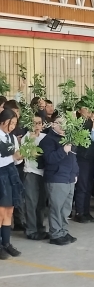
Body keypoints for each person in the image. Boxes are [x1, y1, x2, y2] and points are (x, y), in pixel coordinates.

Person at [39, 116, 79, 246]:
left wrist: (75, 173)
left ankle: (63, 231)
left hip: (69, 178)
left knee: (66, 208)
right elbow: (49, 159)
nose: (63, 126)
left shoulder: (68, 139)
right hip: (56, 178)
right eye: (60, 123)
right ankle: (55, 234)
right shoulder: (48, 140)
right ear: (53, 125)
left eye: (66, 124)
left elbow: (74, 159)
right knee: (56, 208)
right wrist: (63, 150)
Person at [0, 109, 23, 259]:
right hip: (1, 175)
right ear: (3, 121)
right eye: (11, 123)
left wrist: (20, 156)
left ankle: (7, 243)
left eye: (15, 123)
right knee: (1, 213)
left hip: (11, 174)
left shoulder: (12, 137)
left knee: (9, 211)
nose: (13, 126)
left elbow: (17, 158)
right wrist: (13, 156)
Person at [22, 114, 48, 240]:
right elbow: (24, 153)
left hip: (43, 173)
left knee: (41, 203)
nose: (37, 125)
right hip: (31, 173)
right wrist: (31, 139)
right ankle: (31, 230)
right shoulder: (26, 137)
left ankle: (40, 228)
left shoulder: (45, 137)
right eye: (34, 123)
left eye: (39, 123)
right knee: (31, 203)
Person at [73, 103, 94, 223]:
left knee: (89, 186)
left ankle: (86, 211)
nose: (88, 110)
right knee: (82, 186)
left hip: (92, 157)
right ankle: (79, 212)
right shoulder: (78, 123)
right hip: (82, 157)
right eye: (85, 108)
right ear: (79, 110)